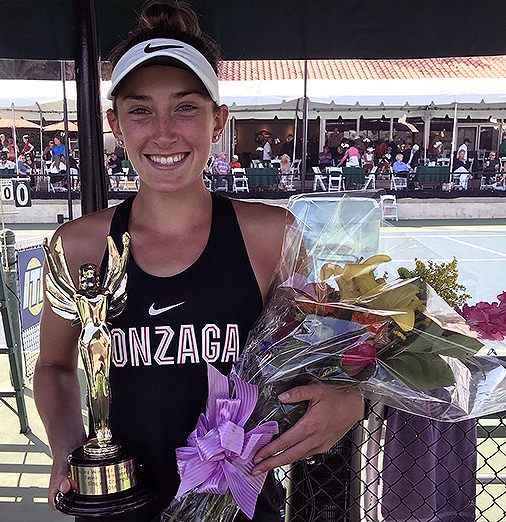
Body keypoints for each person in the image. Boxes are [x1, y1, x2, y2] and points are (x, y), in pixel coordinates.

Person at [34, 4, 364, 522]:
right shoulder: (78, 246)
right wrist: (68, 450)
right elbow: (54, 367)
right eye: (140, 110)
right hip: (117, 504)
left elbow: (321, 359)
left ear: (219, 120)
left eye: (185, 107)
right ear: (114, 124)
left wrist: (349, 399)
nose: (163, 132)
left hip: (242, 504)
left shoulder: (271, 235)